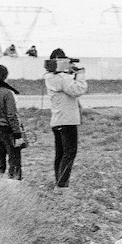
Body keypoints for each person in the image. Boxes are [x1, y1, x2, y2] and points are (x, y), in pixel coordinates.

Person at [44, 47, 88, 188]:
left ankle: (59, 182)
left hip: (57, 120)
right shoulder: (62, 78)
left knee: (60, 154)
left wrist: (69, 73)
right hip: (68, 121)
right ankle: (62, 185)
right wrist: (80, 74)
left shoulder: (50, 77)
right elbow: (78, 90)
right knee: (69, 154)